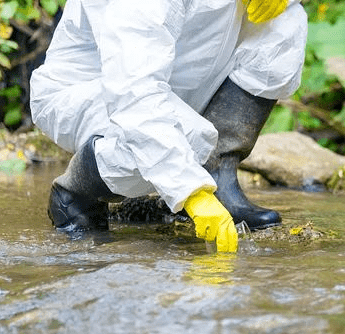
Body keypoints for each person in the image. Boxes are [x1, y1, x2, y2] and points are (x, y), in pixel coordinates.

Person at [29, 0, 308, 252]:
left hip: (177, 81)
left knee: (285, 19)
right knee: (184, 139)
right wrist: (191, 192)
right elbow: (134, 94)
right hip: (91, 89)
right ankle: (75, 192)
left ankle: (218, 176)